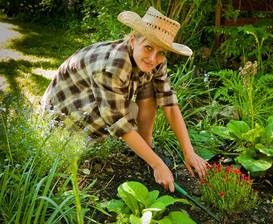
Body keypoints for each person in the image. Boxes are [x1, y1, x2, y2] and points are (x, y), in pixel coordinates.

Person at [40, 6, 208, 192]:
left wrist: (189, 152)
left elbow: (168, 102)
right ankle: (74, 154)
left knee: (150, 88)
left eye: (161, 52)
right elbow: (119, 123)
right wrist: (158, 165)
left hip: (92, 102)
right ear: (134, 40)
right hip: (62, 118)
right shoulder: (114, 65)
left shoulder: (155, 61)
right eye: (148, 47)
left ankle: (146, 146)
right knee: (128, 113)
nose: (153, 58)